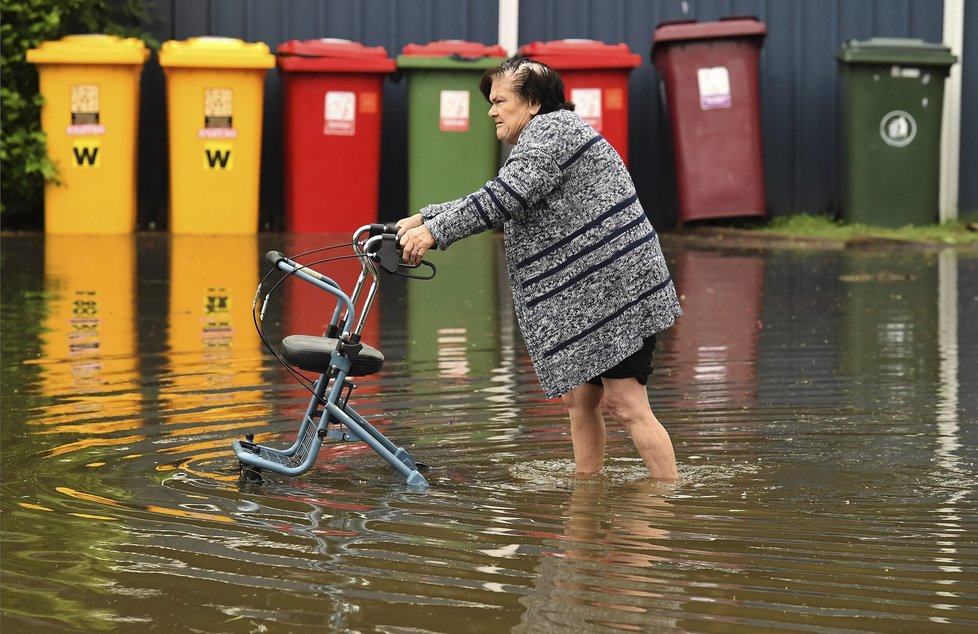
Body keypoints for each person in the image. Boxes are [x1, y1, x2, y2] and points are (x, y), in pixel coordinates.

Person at [397, 57, 682, 480]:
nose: (491, 110)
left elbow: (503, 199)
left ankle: (667, 502)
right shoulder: (544, 138)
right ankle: (588, 493)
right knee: (579, 401)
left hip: (618, 294)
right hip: (597, 293)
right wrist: (429, 216)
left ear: (531, 103)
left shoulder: (551, 136)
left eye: (500, 101)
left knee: (626, 403)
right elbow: (503, 193)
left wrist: (437, 231)